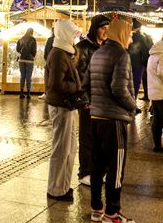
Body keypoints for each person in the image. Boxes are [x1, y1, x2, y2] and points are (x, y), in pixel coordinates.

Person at [89, 18, 136, 223]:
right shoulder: (121, 55)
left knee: (98, 166)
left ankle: (96, 208)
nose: (132, 38)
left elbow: (86, 84)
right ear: (123, 33)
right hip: (114, 119)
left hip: (96, 117)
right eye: (130, 34)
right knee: (116, 168)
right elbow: (119, 88)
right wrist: (133, 105)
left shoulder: (98, 52)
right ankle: (113, 212)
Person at [45, 19, 82, 202]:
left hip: (67, 105)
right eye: (73, 34)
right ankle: (55, 189)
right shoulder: (59, 54)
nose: (75, 38)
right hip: (61, 105)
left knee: (69, 148)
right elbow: (55, 84)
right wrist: (76, 85)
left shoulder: (65, 51)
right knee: (61, 148)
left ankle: (63, 186)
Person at [75, 14, 110, 186]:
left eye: (107, 28)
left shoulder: (107, 47)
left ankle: (97, 170)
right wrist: (86, 99)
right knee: (87, 137)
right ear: (95, 28)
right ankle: (85, 172)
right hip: (89, 101)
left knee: (100, 138)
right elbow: (80, 76)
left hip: (103, 100)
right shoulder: (83, 47)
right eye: (103, 28)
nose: (105, 31)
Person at [128, 19, 149, 107]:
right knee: (135, 84)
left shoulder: (126, 35)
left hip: (126, 63)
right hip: (137, 64)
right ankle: (133, 103)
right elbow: (145, 51)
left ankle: (128, 103)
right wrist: (145, 64)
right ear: (139, 27)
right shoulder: (141, 37)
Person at [16, 27, 37, 99]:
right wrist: (32, 56)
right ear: (32, 32)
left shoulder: (21, 39)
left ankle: (21, 92)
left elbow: (17, 49)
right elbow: (34, 50)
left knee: (22, 76)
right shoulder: (33, 39)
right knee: (28, 76)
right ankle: (28, 93)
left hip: (21, 60)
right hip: (29, 60)